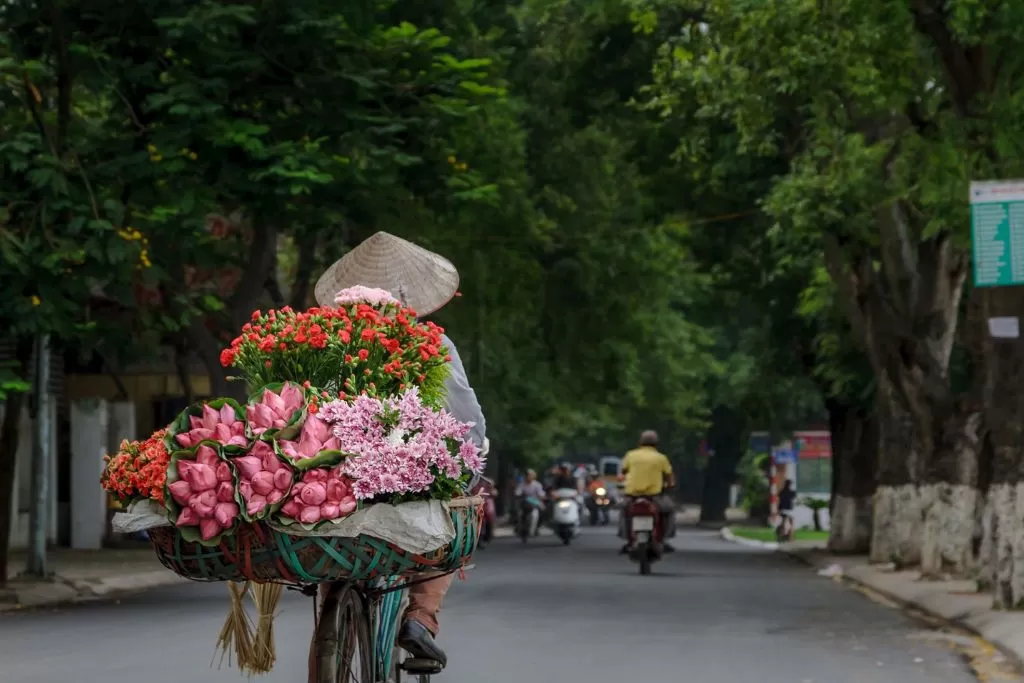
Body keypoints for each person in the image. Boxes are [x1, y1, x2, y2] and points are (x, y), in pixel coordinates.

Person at [313, 231, 486, 668]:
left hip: (331, 471)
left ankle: (332, 608)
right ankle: (421, 618)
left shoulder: (325, 344)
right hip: (412, 470)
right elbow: (465, 415)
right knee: (449, 515)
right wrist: (470, 454)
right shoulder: (430, 342)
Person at [619, 430, 676, 553]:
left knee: (624, 512)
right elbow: (669, 476)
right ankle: (663, 539)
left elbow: (623, 472)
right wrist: (669, 486)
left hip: (632, 496)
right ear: (657, 443)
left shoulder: (631, 455)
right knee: (669, 511)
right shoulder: (661, 458)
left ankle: (628, 539)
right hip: (654, 496)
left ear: (640, 442)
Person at [515, 469, 546, 536]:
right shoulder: (522, 484)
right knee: (518, 513)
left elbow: (541, 494)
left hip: (535, 502)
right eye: (527, 475)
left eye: (530, 475)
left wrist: (541, 497)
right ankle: (518, 527)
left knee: (543, 510)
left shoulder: (537, 484)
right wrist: (518, 494)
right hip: (524, 502)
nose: (528, 477)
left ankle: (538, 526)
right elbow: (518, 492)